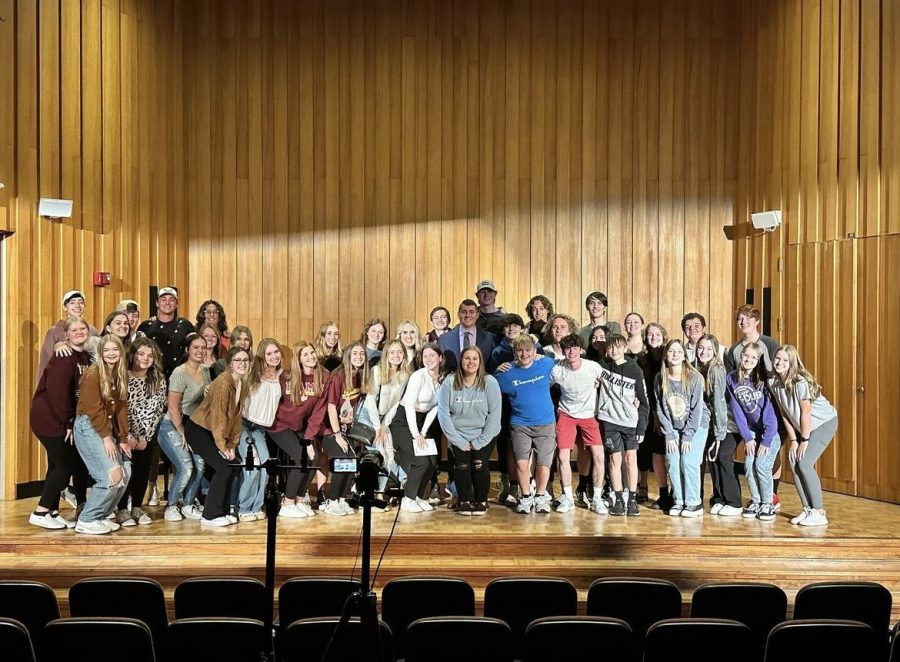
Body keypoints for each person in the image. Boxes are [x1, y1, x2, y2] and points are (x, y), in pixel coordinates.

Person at [28, 316, 94, 529]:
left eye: (82, 328)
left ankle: (52, 511)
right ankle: (40, 511)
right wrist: (67, 422)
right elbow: (57, 395)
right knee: (67, 466)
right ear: (66, 335)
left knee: (57, 465)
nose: (79, 332)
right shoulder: (63, 356)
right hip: (49, 418)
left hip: (61, 418)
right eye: (74, 330)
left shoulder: (83, 356)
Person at [770, 345, 838, 527]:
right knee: (793, 462)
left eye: (785, 360)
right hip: (802, 428)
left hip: (824, 423)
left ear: (792, 363)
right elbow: (785, 413)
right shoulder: (774, 383)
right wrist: (793, 440)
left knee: (805, 462)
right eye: (778, 359)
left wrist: (804, 441)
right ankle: (808, 509)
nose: (780, 363)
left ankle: (819, 511)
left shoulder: (800, 382)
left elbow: (805, 412)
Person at [72, 335, 131, 535]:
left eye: (115, 349)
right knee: (111, 476)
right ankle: (87, 519)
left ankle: (101, 515)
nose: (111, 353)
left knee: (126, 472)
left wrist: (122, 439)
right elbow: (94, 410)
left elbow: (121, 408)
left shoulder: (120, 374)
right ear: (100, 353)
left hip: (106, 427)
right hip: (90, 427)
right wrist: (107, 438)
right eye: (106, 350)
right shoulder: (93, 374)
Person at [185, 346, 250, 527]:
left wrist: (232, 445)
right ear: (230, 363)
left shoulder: (241, 384)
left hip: (214, 431)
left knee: (231, 466)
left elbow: (236, 419)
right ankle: (210, 515)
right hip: (199, 430)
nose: (242, 364)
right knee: (223, 468)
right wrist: (222, 446)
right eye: (238, 360)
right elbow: (219, 418)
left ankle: (221, 511)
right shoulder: (223, 383)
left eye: (245, 360)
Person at [495, 334, 556, 515]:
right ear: (514, 352)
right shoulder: (505, 373)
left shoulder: (545, 364)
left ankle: (540, 496)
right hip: (520, 424)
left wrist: (543, 356)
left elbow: (566, 365)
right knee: (521, 464)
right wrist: (497, 369)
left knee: (544, 464)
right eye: (520, 350)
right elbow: (489, 387)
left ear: (534, 351)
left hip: (545, 422)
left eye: (528, 350)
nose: (524, 354)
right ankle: (526, 496)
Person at [438, 346, 502, 516]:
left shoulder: (490, 382)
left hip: (484, 433)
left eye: (475, 358)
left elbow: (495, 417)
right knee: (462, 464)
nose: (471, 362)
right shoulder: (449, 382)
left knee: (479, 463)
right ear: (461, 361)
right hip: (458, 434)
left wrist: (480, 441)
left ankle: (481, 500)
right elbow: (443, 415)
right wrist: (458, 441)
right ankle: (465, 500)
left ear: (480, 362)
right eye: (467, 358)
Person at [269, 341, 329, 518]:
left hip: (300, 426)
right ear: (298, 359)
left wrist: (309, 439)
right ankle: (287, 503)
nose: (311, 357)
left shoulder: (323, 377)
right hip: (279, 426)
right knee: (300, 457)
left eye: (312, 353)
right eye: (305, 355)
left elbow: (318, 413)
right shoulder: (285, 377)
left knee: (315, 456)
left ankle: (299, 498)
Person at [550, 334, 607, 514]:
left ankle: (597, 498)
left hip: (589, 416)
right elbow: (542, 386)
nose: (571, 352)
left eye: (575, 348)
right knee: (563, 456)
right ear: (563, 350)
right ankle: (567, 498)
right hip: (566, 414)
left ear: (580, 350)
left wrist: (635, 399)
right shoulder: (557, 369)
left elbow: (612, 385)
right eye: (568, 348)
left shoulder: (592, 367)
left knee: (598, 455)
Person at [156, 334, 211, 521]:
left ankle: (188, 503)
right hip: (172, 424)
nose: (200, 351)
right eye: (196, 347)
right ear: (187, 350)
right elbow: (172, 408)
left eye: (203, 347)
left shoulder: (205, 370)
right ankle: (171, 506)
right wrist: (183, 433)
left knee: (201, 465)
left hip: (193, 425)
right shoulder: (180, 372)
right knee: (186, 466)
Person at [114, 337, 167, 526]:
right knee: (126, 470)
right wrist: (126, 435)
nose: (145, 358)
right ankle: (121, 510)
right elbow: (120, 408)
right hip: (124, 433)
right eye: (141, 353)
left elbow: (156, 409)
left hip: (146, 434)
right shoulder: (122, 376)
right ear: (133, 354)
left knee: (142, 470)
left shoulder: (157, 379)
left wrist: (145, 436)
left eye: (150, 355)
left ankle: (136, 507)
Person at [726, 343, 780, 522]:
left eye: (753, 357)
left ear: (758, 360)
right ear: (740, 357)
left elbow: (770, 414)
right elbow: (737, 411)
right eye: (745, 356)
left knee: (762, 466)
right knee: (749, 466)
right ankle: (756, 501)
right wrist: (747, 438)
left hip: (769, 433)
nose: (748, 360)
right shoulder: (732, 378)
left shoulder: (764, 380)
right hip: (751, 433)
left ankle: (768, 503)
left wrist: (765, 441)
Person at [655, 339, 709, 518]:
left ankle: (694, 502)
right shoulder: (660, 378)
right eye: (671, 351)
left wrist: (688, 435)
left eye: (679, 351)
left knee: (688, 461)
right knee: (672, 461)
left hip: (695, 425)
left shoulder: (694, 377)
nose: (675, 354)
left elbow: (697, 409)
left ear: (685, 355)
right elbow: (660, 409)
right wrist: (669, 433)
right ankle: (679, 500)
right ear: (666, 355)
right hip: (673, 427)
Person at [597, 334, 649, 517]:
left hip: (630, 423)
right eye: (611, 347)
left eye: (618, 347)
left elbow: (643, 401)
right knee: (614, 460)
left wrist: (641, 427)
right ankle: (618, 498)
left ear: (625, 347)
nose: (614, 350)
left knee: (630, 459)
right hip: (609, 422)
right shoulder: (601, 366)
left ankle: (632, 499)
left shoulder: (635, 370)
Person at [391, 343, 444, 512]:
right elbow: (409, 406)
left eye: (432, 356)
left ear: (440, 358)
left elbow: (435, 407)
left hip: (422, 422)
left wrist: (423, 431)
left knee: (432, 461)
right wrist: (415, 434)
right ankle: (408, 498)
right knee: (420, 461)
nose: (428, 359)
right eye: (425, 356)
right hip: (404, 421)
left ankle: (419, 496)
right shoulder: (418, 376)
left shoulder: (442, 378)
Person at [694, 334, 742, 516]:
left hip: (728, 424)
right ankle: (720, 498)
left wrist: (720, 434)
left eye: (708, 348)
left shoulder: (717, 371)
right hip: (713, 424)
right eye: (701, 348)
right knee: (713, 459)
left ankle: (734, 502)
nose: (703, 352)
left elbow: (720, 405)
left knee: (723, 455)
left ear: (715, 351)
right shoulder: (698, 368)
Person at [320, 342, 370, 516]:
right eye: (354, 353)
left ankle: (341, 498)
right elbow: (331, 406)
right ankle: (332, 501)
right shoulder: (339, 376)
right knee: (343, 459)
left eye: (362, 354)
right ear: (347, 356)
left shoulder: (359, 375)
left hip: (345, 426)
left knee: (352, 459)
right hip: (328, 428)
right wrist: (337, 435)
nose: (358, 357)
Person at [237, 338, 284, 520]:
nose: (274, 356)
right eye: (269, 353)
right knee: (252, 465)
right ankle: (244, 508)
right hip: (244, 425)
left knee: (266, 467)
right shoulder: (251, 373)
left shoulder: (282, 376)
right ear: (262, 356)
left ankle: (256, 506)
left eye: (276, 352)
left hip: (260, 430)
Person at [37, 290, 100, 381]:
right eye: (72, 303)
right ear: (65, 307)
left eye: (81, 302)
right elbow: (46, 362)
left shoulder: (92, 330)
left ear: (85, 307)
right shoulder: (54, 331)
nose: (77, 306)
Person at [639, 323, 669, 508]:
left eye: (657, 334)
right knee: (655, 453)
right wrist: (654, 415)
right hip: (651, 412)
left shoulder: (671, 355)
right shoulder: (642, 360)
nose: (654, 337)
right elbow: (646, 391)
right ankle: (663, 493)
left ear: (664, 336)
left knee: (671, 456)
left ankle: (676, 494)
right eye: (650, 334)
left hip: (672, 413)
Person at [136, 287, 196, 379]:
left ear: (176, 304)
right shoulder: (146, 326)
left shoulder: (185, 325)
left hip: (181, 378)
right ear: (157, 303)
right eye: (163, 299)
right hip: (151, 378)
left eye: (171, 300)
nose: (167, 302)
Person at [438, 299, 496, 371]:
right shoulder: (444, 339)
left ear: (477, 315)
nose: (467, 315)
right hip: (452, 380)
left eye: (471, 312)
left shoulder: (489, 339)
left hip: (480, 381)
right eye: (463, 312)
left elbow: (492, 367)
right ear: (458, 315)